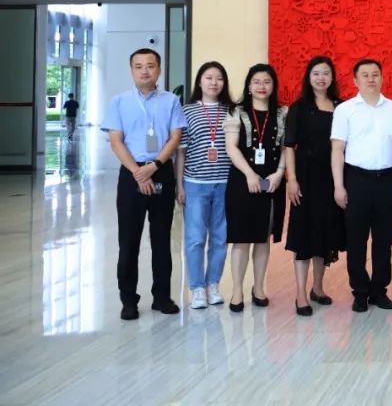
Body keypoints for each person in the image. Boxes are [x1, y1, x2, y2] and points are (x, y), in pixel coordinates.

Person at [101, 48, 187, 320]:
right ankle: (128, 300)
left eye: (150, 65)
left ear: (159, 70)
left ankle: (162, 297)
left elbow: (175, 138)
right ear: (132, 71)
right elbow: (116, 141)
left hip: (161, 171)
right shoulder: (119, 102)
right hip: (131, 174)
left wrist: (154, 166)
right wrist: (138, 172)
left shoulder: (171, 101)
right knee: (129, 241)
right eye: (138, 66)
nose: (144, 71)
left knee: (161, 239)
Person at [331, 59, 392, 313]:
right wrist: (339, 186)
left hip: (387, 180)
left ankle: (379, 290)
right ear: (355, 80)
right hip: (356, 180)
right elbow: (337, 149)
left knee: (384, 239)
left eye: (375, 74)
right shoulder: (345, 110)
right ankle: (360, 292)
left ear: (382, 78)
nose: (371, 79)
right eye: (365, 75)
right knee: (357, 239)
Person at [284, 56, 346, 317]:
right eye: (316, 73)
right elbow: (289, 146)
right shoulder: (299, 108)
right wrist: (292, 179)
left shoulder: (342, 107)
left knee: (325, 233)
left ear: (332, 77)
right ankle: (300, 293)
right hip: (305, 178)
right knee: (303, 234)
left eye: (326, 73)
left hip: (332, 178)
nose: (321, 78)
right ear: (309, 77)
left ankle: (318, 288)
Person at [224, 64, 288, 312]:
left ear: (273, 86)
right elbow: (231, 147)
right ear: (249, 86)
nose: (262, 86)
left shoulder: (282, 112)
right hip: (242, 181)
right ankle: (237, 290)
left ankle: (259, 288)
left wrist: (279, 173)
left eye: (267, 82)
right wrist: (249, 174)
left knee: (263, 238)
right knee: (241, 239)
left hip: (271, 182)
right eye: (257, 82)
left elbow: (286, 147)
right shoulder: (236, 112)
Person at [175, 61, 235, 310]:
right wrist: (179, 185)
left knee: (220, 239)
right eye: (209, 77)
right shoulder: (187, 111)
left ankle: (213, 285)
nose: (214, 82)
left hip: (225, 184)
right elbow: (181, 152)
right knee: (195, 239)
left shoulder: (231, 111)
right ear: (199, 81)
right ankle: (197, 288)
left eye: (219, 78)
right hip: (195, 184)